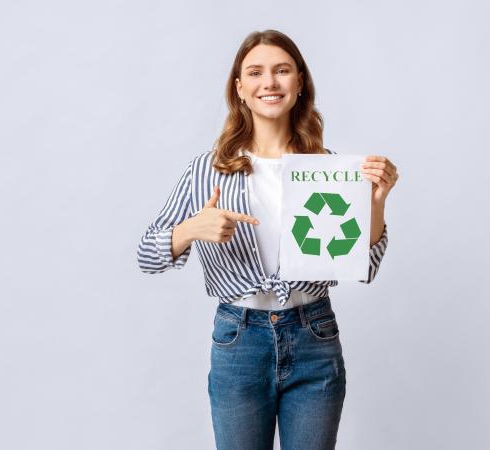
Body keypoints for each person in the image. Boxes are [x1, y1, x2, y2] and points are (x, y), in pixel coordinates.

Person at [137, 29, 399, 450]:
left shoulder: (330, 169)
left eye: (282, 70)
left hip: (314, 335)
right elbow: (147, 255)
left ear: (299, 84)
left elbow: (362, 267)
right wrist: (190, 230)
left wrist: (378, 203)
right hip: (239, 341)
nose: (269, 83)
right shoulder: (209, 170)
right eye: (255, 72)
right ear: (240, 89)